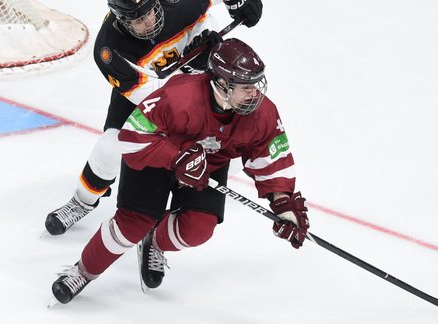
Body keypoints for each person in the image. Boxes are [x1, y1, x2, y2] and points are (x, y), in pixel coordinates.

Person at [51, 38, 310, 304]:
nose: (254, 93)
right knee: (131, 225)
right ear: (222, 84)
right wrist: (176, 158)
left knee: (198, 228)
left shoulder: (262, 113)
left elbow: (271, 155)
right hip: (156, 156)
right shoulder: (179, 96)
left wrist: (282, 202)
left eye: (255, 84)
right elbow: (131, 137)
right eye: (246, 87)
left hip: (206, 165)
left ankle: (155, 242)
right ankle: (83, 271)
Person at [44, 0, 263, 235]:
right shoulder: (111, 50)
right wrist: (189, 70)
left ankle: (171, 210)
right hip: (149, 96)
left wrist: (238, 2)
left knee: (229, 157)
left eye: (150, 12)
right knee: (110, 148)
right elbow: (159, 102)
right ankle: (82, 201)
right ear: (120, 19)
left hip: (201, 83)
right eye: (137, 20)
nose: (148, 22)